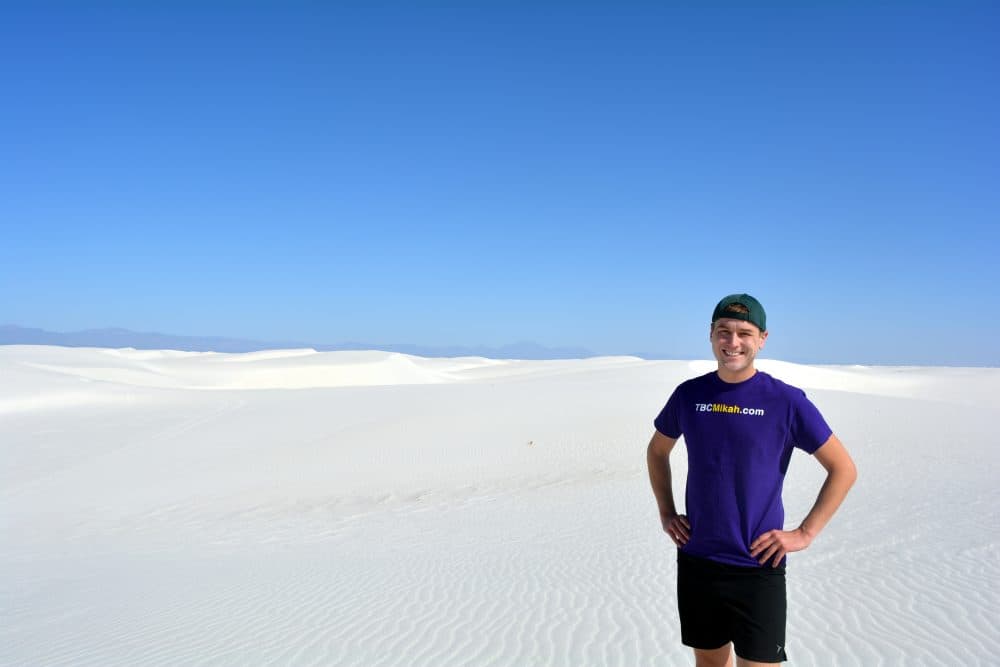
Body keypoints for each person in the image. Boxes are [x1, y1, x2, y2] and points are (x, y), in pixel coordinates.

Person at [646, 293, 857, 666]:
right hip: (698, 561)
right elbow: (657, 451)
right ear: (711, 335)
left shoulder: (787, 402)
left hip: (758, 566)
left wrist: (805, 533)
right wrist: (667, 512)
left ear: (762, 339)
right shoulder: (690, 395)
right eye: (724, 332)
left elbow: (843, 469)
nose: (733, 342)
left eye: (744, 333)